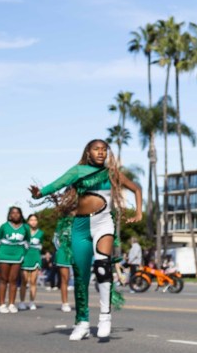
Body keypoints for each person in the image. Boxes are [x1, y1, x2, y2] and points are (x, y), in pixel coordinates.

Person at [31, 139, 143, 340]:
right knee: (80, 276)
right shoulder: (78, 171)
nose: (101, 153)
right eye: (96, 149)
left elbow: (136, 188)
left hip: (104, 223)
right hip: (80, 226)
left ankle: (105, 318)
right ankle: (82, 322)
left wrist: (139, 212)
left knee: (102, 266)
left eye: (104, 150)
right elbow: (58, 183)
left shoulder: (111, 172)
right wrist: (40, 194)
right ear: (88, 152)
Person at [0, 206, 30, 313]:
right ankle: (1, 305)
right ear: (9, 215)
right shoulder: (4, 226)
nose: (15, 215)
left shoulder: (25, 227)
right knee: (3, 279)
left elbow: (28, 242)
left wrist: (23, 253)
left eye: (17, 213)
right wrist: (0, 252)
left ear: (21, 214)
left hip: (17, 255)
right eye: (13, 213)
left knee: (13, 279)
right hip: (4, 254)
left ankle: (12, 304)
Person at [18, 214, 44, 310]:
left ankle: (32, 302)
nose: (33, 221)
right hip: (25, 257)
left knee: (33, 281)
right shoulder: (23, 232)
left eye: (35, 220)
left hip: (35, 257)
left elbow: (41, 245)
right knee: (24, 281)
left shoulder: (41, 233)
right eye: (31, 220)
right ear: (28, 221)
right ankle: (21, 302)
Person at [53, 215, 74, 312]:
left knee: (80, 280)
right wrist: (61, 250)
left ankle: (81, 303)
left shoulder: (81, 221)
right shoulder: (61, 222)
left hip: (77, 253)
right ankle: (65, 303)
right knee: (65, 279)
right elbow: (55, 239)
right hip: (64, 253)